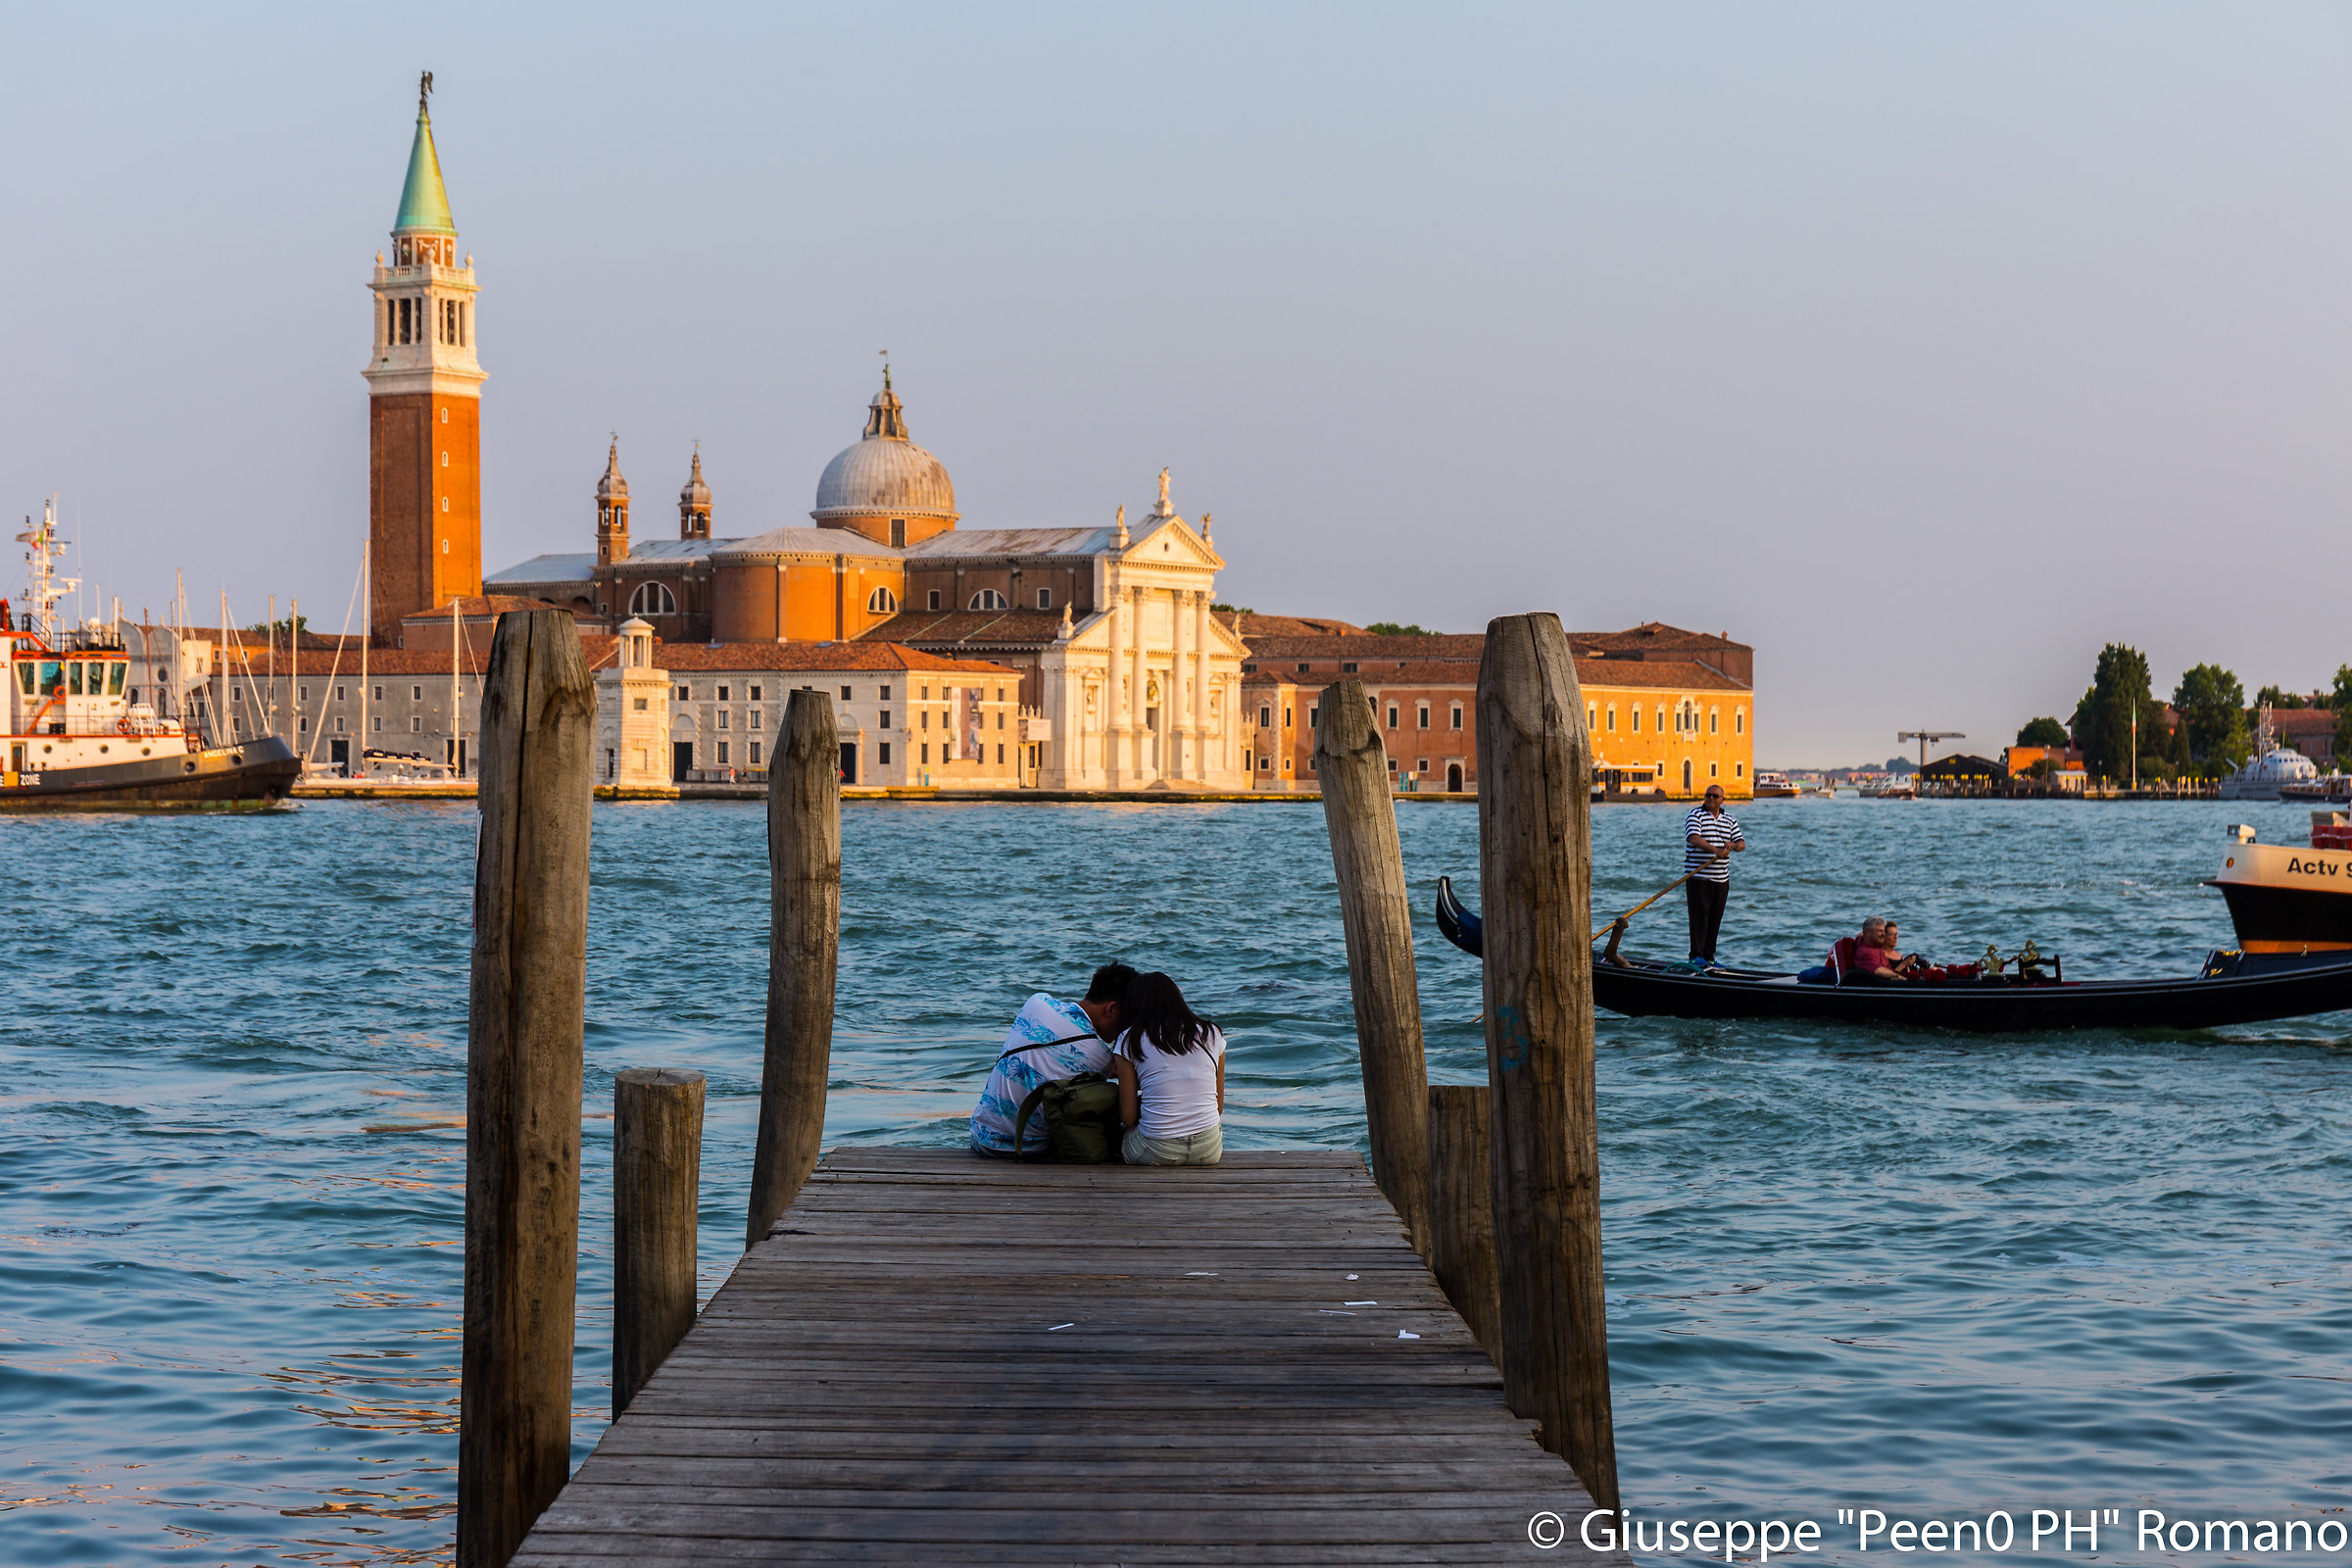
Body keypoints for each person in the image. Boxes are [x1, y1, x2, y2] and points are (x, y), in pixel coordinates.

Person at [968, 962, 1136, 1157]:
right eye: (1127, 1019)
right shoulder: (1101, 1060)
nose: (1125, 1029)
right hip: (1028, 1151)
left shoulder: (1036, 1003)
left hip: (981, 1137)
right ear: (1112, 1010)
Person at [1111, 972, 1226, 1167]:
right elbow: (1218, 1107)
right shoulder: (1211, 1033)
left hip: (1157, 1152)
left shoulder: (1129, 1039)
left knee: (1120, 1134)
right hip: (1209, 1151)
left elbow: (1128, 1117)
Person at [1683, 784, 1746, 966]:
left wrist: (1733, 846)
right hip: (1698, 878)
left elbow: (1741, 843)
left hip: (1721, 880)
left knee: (1714, 919)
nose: (1710, 799)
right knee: (1699, 918)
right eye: (1708, 795)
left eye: (1715, 796)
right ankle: (1695, 956)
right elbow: (1694, 838)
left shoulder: (1729, 820)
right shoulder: (1695, 815)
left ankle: (1709, 958)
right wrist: (1715, 850)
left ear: (1722, 800)